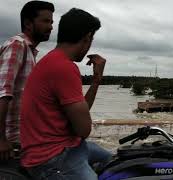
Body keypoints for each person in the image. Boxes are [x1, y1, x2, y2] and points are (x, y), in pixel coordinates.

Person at [20, 8, 112, 179]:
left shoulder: (53, 60)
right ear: (87, 38)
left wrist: (96, 79)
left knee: (117, 163)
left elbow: (80, 115)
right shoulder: (64, 67)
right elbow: (83, 129)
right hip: (51, 158)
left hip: (70, 147)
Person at [0, 1, 54, 161]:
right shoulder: (17, 45)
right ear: (28, 23)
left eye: (51, 22)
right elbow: (3, 92)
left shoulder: (30, 50)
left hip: (24, 141)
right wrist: (1, 139)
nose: (51, 27)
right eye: (45, 21)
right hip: (11, 143)